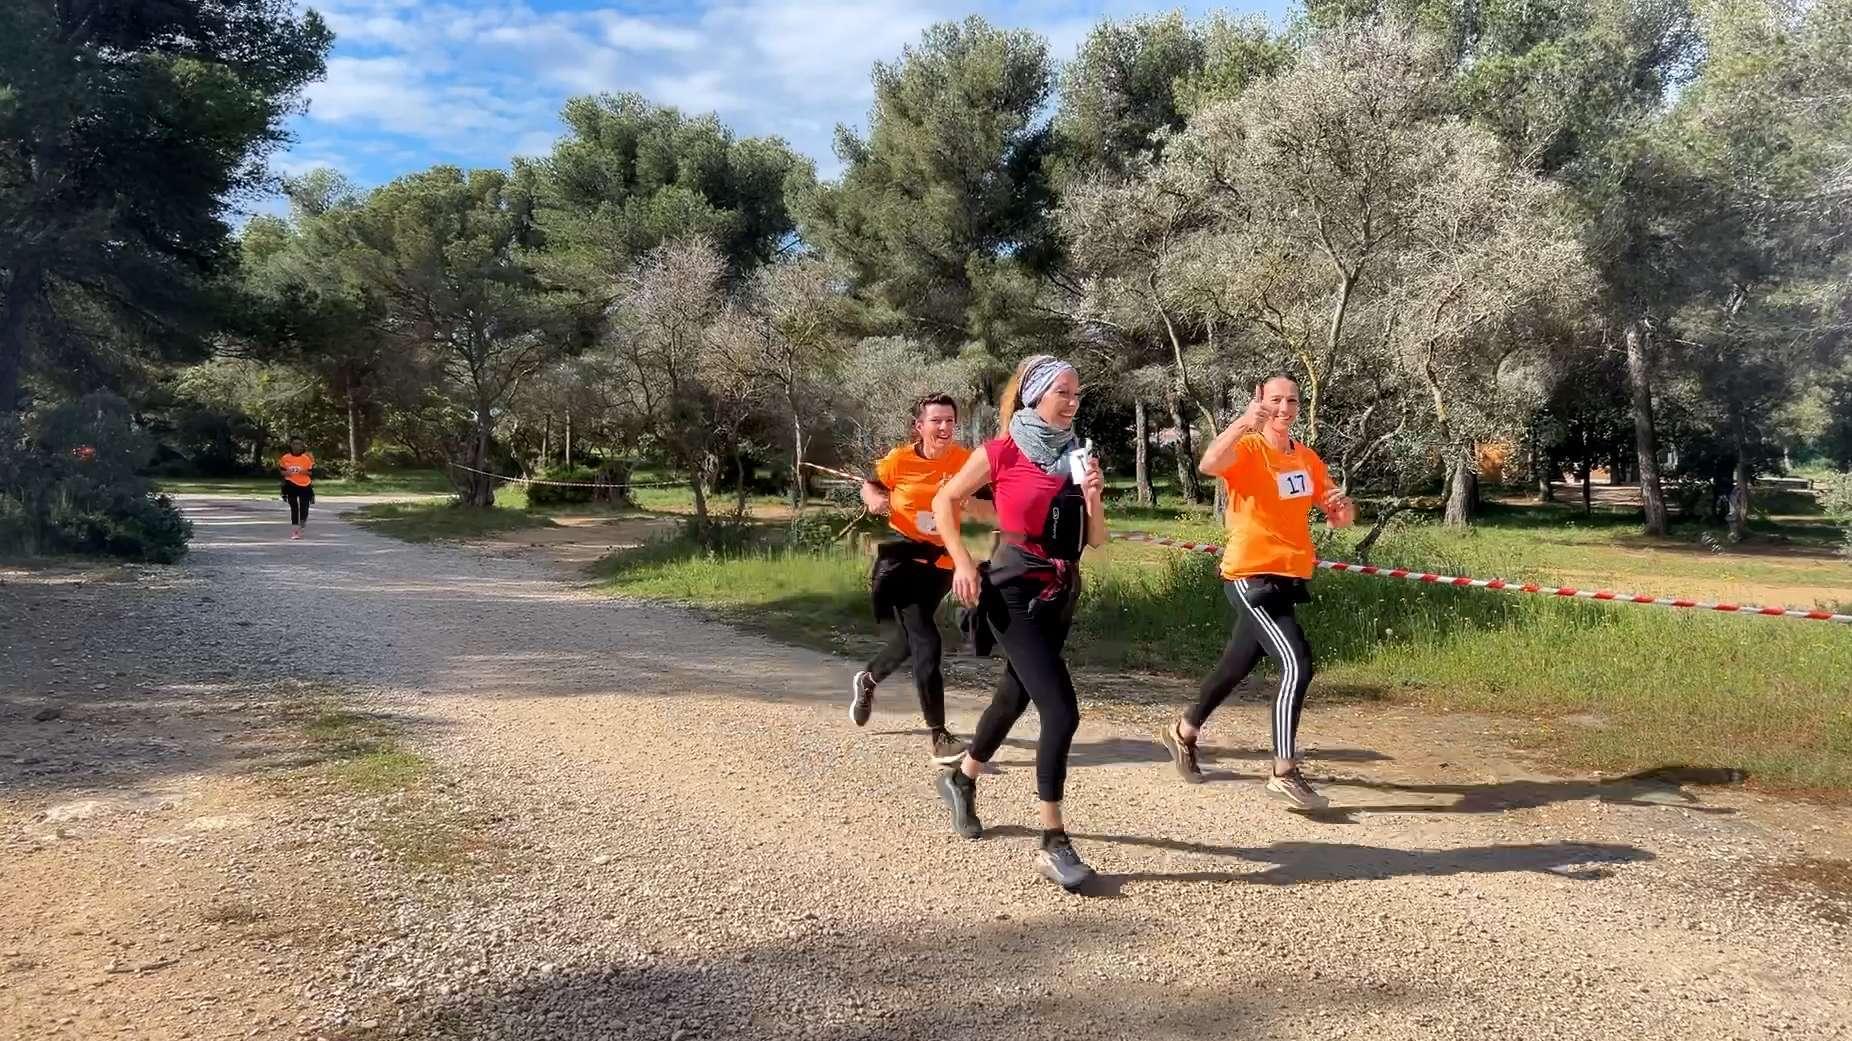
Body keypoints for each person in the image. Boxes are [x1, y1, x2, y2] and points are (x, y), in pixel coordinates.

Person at [930, 354, 1107, 891]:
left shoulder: (1078, 454)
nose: (1073, 402)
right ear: (1036, 395)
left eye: (1078, 394)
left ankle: (963, 778)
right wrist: (962, 562)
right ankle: (1054, 841)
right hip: (1012, 590)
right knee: (1062, 710)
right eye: (1064, 392)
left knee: (1014, 697)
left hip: (1060, 591)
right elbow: (946, 499)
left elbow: (1094, 540)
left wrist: (1094, 497)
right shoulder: (1002, 450)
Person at [1157, 376, 1356, 808]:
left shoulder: (1306, 458)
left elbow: (1336, 510)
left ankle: (1184, 731)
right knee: (1296, 662)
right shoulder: (1248, 449)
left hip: (1287, 577)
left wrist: (1341, 508)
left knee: (1236, 663)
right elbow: (1209, 464)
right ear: (1260, 403)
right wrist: (1242, 423)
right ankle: (1284, 770)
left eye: (1292, 401)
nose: (1284, 408)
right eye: (1275, 400)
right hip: (1251, 575)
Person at [850, 393, 995, 764]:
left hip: (943, 562)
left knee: (909, 642)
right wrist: (873, 498)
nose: (944, 427)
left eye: (950, 420)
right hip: (902, 560)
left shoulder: (965, 461)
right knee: (926, 639)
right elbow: (871, 484)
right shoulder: (899, 460)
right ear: (919, 426)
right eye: (936, 421)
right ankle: (939, 735)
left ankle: (868, 680)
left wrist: (969, 504)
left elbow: (993, 505)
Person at [278, 437, 315, 540]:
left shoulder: (306, 458)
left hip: (304, 485)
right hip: (290, 484)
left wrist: (305, 472)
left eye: (299, 444)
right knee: (294, 508)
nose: (296, 446)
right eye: (294, 444)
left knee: (304, 507)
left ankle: (303, 520)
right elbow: (281, 472)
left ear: (302, 446)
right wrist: (286, 473)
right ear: (291, 445)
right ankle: (295, 532)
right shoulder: (285, 458)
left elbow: (311, 472)